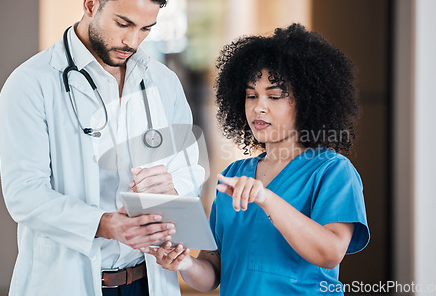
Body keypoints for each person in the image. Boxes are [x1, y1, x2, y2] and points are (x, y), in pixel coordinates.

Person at [0, 0, 204, 295]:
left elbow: (191, 167)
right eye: (123, 24)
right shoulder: (32, 84)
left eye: (146, 29)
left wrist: (173, 184)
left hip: (147, 280)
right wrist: (105, 224)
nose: (133, 42)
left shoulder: (163, 83)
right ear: (91, 4)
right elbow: (24, 194)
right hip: (70, 281)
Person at [142, 23, 370, 295]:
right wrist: (185, 263)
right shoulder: (235, 173)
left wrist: (267, 199)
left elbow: (330, 253)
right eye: (251, 95)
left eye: (274, 96)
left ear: (309, 101)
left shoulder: (332, 171)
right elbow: (212, 273)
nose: (258, 107)